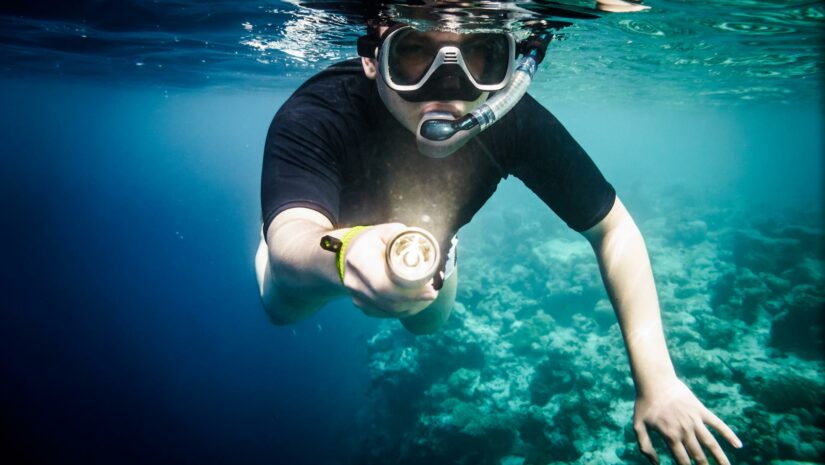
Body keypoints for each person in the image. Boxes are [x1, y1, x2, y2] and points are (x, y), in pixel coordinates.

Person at [254, 12, 743, 465]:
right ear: (371, 58)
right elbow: (295, 235)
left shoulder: (515, 122)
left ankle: (437, 249)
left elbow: (613, 228)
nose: (448, 86)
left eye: (481, 57)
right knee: (284, 304)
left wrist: (658, 380)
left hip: (425, 245)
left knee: (427, 323)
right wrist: (346, 254)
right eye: (415, 53)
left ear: (509, 68)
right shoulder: (319, 111)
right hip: (330, 238)